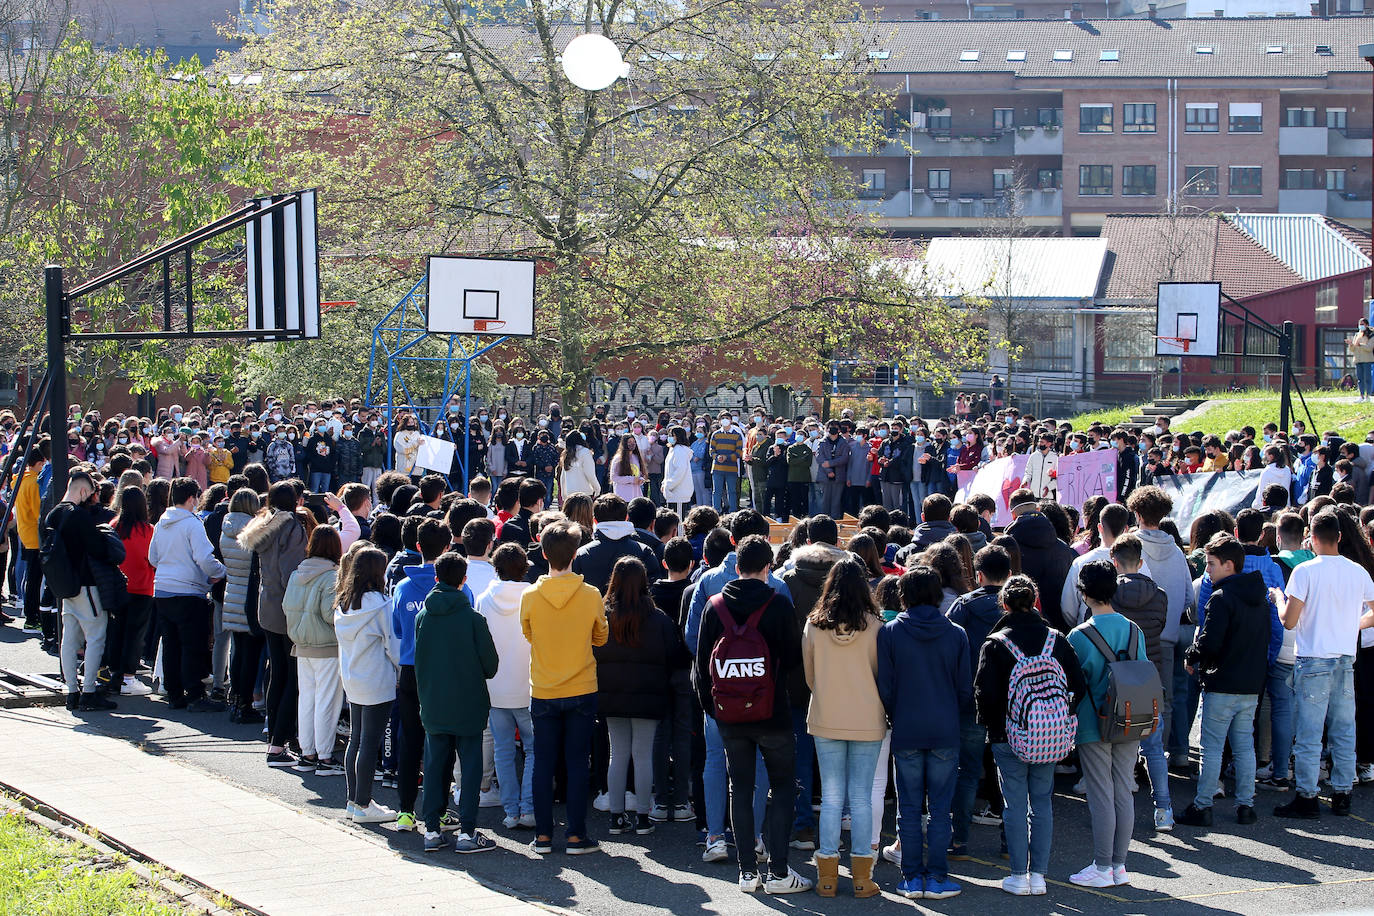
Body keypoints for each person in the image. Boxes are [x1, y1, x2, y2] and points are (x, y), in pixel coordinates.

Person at [693, 534, 810, 895]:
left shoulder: (715, 605)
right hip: (771, 711)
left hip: (729, 715)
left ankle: (746, 873)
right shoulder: (777, 604)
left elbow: (701, 665)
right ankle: (777, 871)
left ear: (736, 566)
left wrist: (713, 709)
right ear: (767, 567)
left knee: (739, 787)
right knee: (782, 786)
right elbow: (793, 660)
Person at [976, 574, 1085, 896]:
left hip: (1008, 735)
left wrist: (995, 731)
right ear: (1035, 601)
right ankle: (1039, 876)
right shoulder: (1056, 639)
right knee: (1042, 804)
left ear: (1005, 605)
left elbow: (985, 693)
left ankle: (1017, 875)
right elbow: (1078, 685)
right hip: (1049, 737)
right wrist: (1058, 718)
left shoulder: (996, 644)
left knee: (1014, 806)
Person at [1271, 509, 1374, 819]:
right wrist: (1352, 624)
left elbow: (1289, 622)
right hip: (1345, 658)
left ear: (1310, 537)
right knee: (1344, 730)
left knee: (1309, 732)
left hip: (1313, 658)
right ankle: (1343, 793)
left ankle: (1307, 795)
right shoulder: (1358, 571)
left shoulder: (1305, 572)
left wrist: (1278, 598)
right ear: (1339, 537)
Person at [878, 565, 971, 901]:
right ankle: (937, 877)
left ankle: (911, 877)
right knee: (940, 808)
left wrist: (896, 714)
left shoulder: (889, 633)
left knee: (909, 806)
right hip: (945, 728)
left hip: (907, 728)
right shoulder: (956, 633)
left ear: (904, 595)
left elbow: (884, 687)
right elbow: (964, 690)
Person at [521, 519, 609, 855]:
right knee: (576, 762)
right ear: (575, 554)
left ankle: (543, 835)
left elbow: (528, 634)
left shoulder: (530, 595)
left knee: (543, 763)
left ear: (543, 553)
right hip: (582, 686)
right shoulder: (590, 595)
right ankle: (576, 834)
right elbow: (601, 635)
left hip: (542, 687)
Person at [804, 558, 885, 899]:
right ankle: (863, 878)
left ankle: (826, 877)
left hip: (825, 714)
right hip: (867, 717)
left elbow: (810, 676)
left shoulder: (813, 624)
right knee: (861, 798)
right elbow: (881, 673)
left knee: (833, 797)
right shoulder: (876, 625)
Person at [1177, 534, 1270, 828]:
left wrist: (1192, 656)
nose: (1208, 570)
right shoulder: (1260, 597)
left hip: (1222, 682)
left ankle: (1203, 805)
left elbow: (1210, 641)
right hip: (1251, 683)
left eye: (1212, 564)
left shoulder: (1221, 598)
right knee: (1244, 745)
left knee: (1212, 746)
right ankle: (1246, 804)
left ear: (1229, 565)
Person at [1067, 561, 1148, 888]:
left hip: (1094, 722)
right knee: (1123, 790)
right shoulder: (1133, 629)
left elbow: (1072, 682)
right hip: (1131, 717)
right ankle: (1118, 865)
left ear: (1083, 593)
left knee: (1100, 792)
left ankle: (1102, 865)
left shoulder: (1079, 636)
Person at [595, 556, 687, 837]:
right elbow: (674, 656)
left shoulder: (604, 615)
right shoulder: (659, 620)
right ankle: (644, 817)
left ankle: (616, 816)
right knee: (643, 754)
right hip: (649, 695)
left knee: (617, 753)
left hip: (611, 694)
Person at [416, 551, 500, 854]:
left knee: (436, 765)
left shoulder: (422, 617)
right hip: (469, 701)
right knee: (471, 766)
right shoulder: (473, 618)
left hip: (434, 701)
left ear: (436, 578)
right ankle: (467, 831)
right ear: (464, 580)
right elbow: (491, 666)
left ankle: (431, 829)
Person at [946, 544, 1012, 858]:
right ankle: (1010, 841)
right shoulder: (1020, 605)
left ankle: (959, 840)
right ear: (1009, 575)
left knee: (968, 770)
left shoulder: (962, 607)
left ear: (978, 574)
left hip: (970, 697)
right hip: (1012, 700)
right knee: (1009, 771)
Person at [239, 481, 310, 765]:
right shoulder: (291, 528)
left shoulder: (263, 526)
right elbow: (291, 573)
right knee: (291, 677)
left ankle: (274, 738)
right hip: (286, 608)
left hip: (266, 606)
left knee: (277, 673)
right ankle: (280, 743)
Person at [390, 518, 452, 830]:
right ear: (448, 547)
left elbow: (398, 630)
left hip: (410, 670)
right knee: (440, 742)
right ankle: (438, 811)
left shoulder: (401, 587)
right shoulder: (457, 587)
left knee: (409, 741)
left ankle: (405, 811)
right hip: (442, 673)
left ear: (417, 547)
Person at [147, 476, 228, 713]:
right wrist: (220, 571)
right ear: (192, 498)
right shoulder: (192, 524)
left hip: (162, 589)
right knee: (192, 644)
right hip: (188, 590)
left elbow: (153, 557)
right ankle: (194, 694)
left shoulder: (163, 522)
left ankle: (174, 694)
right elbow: (204, 557)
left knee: (171, 643)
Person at [46, 470, 122, 711]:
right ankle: (89, 690)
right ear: (83, 491)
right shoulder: (78, 516)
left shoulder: (52, 514)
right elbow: (98, 549)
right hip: (86, 584)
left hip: (63, 585)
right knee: (96, 637)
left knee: (68, 639)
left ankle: (71, 691)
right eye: (90, 493)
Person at [334, 545, 399, 824]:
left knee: (356, 739)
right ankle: (363, 803)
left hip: (352, 677)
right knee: (369, 741)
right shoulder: (382, 605)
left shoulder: (343, 603)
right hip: (377, 678)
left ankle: (353, 800)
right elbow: (393, 648)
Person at [478, 543, 537, 830]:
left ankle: (511, 811)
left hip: (495, 685)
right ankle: (528, 808)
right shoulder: (533, 595)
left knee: (503, 749)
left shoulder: (484, 598)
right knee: (533, 748)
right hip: (528, 685)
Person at [282, 525, 345, 775]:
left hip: (302, 645)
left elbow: (287, 606)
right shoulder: (332, 577)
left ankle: (307, 753)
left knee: (306, 700)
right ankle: (325, 756)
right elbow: (331, 615)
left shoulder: (297, 574)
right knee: (327, 703)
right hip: (327, 647)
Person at [219, 487, 264, 722]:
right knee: (251, 654)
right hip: (249, 597)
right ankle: (245, 704)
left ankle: (236, 699)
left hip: (232, 593)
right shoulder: (252, 531)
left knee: (238, 653)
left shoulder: (226, 527)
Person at [110, 485, 155, 698]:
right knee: (135, 634)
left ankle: (115, 673)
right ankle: (128, 677)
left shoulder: (114, 526)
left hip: (118, 587)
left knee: (117, 631)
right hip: (143, 587)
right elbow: (154, 560)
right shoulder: (148, 531)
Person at [572, 495, 661, 593]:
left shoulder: (581, 554)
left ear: (595, 521)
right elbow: (653, 590)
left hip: (591, 608)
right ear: (626, 517)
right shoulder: (644, 551)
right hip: (635, 608)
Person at [709, 417, 744, 513]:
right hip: (717, 468)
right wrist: (717, 457)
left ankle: (732, 512)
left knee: (732, 491)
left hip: (731, 469)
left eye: (727, 418)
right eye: (722, 418)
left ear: (731, 421)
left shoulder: (737, 435)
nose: (725, 420)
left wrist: (726, 457)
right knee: (716, 492)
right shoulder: (715, 435)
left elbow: (739, 452)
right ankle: (716, 511)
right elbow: (711, 451)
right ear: (719, 421)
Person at [662, 426, 694, 523]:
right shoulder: (673, 450)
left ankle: (679, 538)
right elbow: (669, 471)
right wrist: (664, 484)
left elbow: (680, 471)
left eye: (672, 435)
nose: (670, 437)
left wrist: (669, 485)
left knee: (678, 522)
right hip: (673, 493)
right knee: (672, 522)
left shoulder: (680, 450)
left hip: (679, 493)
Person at [559, 430, 600, 501]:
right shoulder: (585, 452)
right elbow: (590, 474)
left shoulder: (566, 454)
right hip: (584, 492)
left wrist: (563, 494)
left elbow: (563, 476)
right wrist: (597, 488)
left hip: (570, 492)